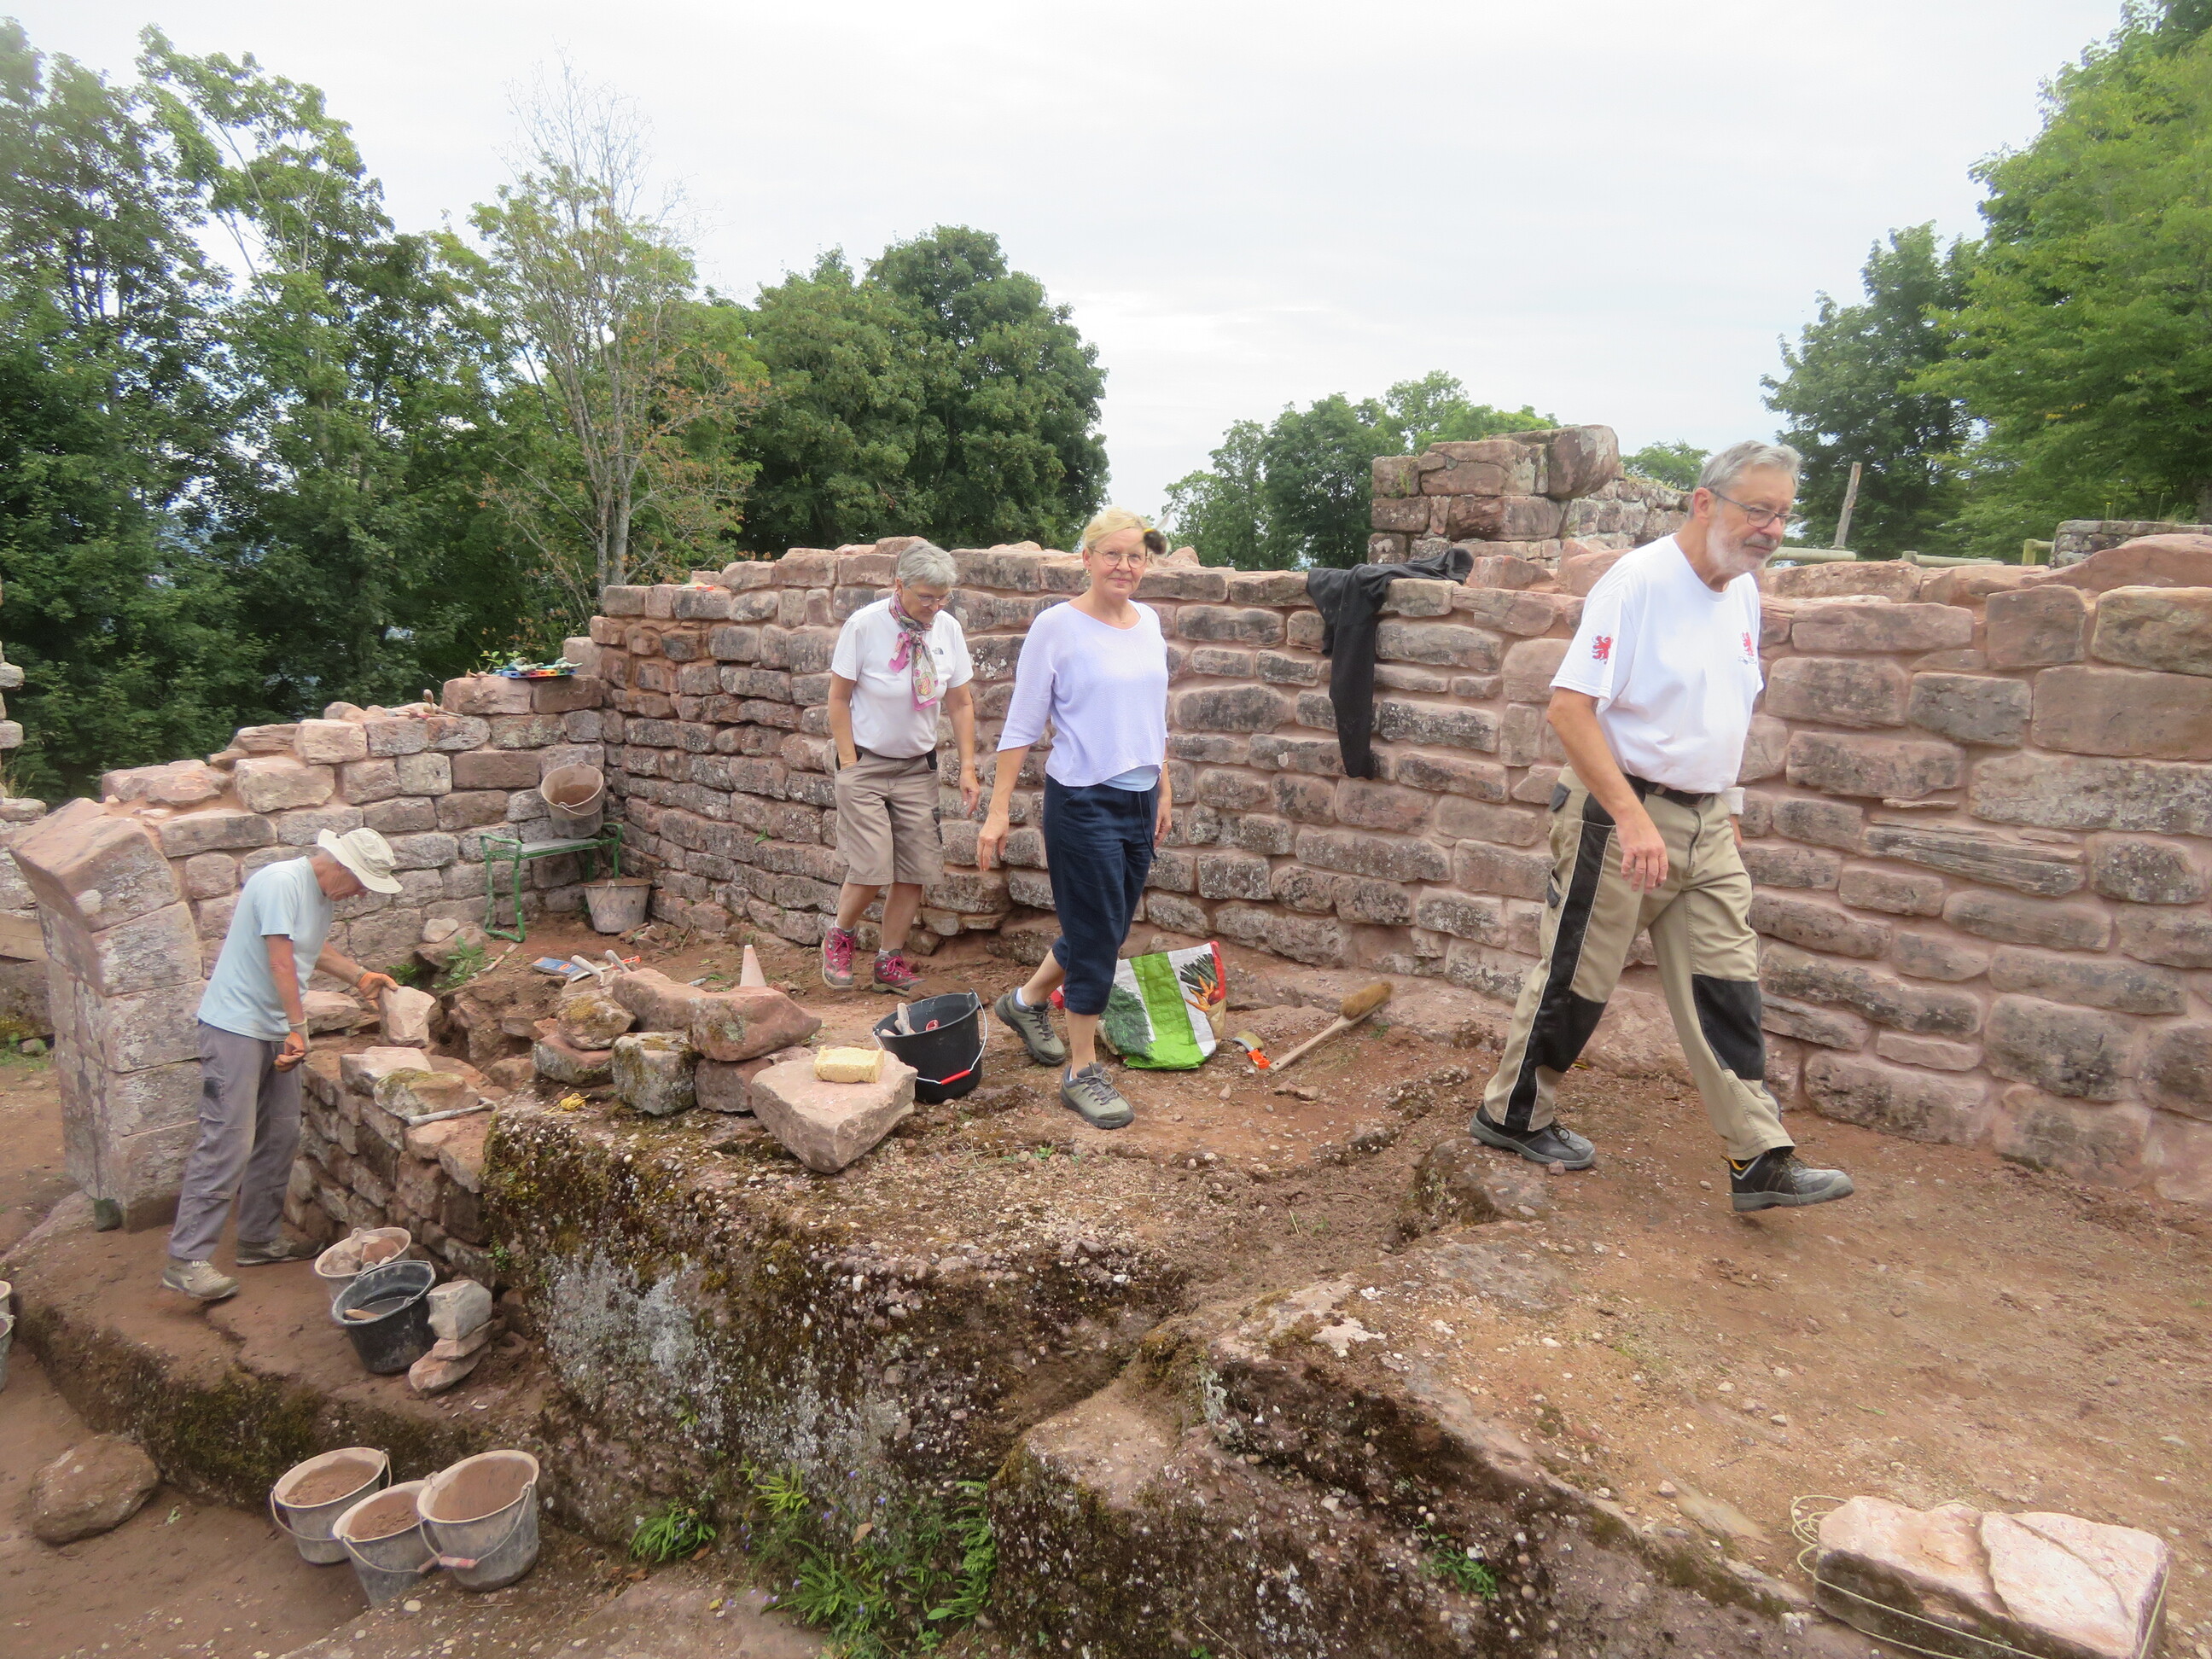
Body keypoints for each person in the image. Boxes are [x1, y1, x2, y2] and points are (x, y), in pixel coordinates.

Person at [1465, 441, 1855, 1214]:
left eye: (1784, 514)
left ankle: (1759, 1156)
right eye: (1759, 510)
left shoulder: (1742, 593)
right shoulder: (1637, 583)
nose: (1773, 529)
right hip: (1619, 817)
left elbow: (1720, 709)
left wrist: (1724, 806)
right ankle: (1512, 1115)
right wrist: (1633, 818)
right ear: (1705, 503)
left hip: (1706, 824)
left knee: (1727, 986)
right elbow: (1569, 710)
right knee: (1578, 978)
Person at [977, 508, 1172, 1129]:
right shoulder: (1056, 627)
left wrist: (1164, 789)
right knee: (1096, 939)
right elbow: (1022, 723)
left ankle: (1026, 1000)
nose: (1125, 566)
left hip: (1140, 799)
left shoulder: (1150, 623)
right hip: (1083, 801)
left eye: (1136, 556)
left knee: (1106, 926)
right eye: (1113, 554)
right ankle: (1081, 1071)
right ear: (1086, 558)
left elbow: (1154, 716)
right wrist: (998, 811)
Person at [162, 828, 405, 1301]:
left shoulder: (322, 896)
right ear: (340, 865)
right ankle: (185, 1259)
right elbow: (280, 962)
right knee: (228, 1139)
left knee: (279, 1134)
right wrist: (299, 1027)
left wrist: (359, 975)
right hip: (234, 1027)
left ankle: (257, 1239)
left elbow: (308, 950)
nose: (360, 895)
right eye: (360, 883)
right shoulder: (280, 882)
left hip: (274, 1028)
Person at [822, 540, 979, 992]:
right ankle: (840, 937)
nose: (935, 606)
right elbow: (838, 699)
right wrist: (849, 762)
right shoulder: (864, 625)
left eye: (943, 597)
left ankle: (888, 963)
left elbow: (960, 702)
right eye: (926, 597)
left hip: (916, 767)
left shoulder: (947, 629)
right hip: (866, 764)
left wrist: (967, 767)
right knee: (872, 864)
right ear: (899, 585)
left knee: (915, 868)